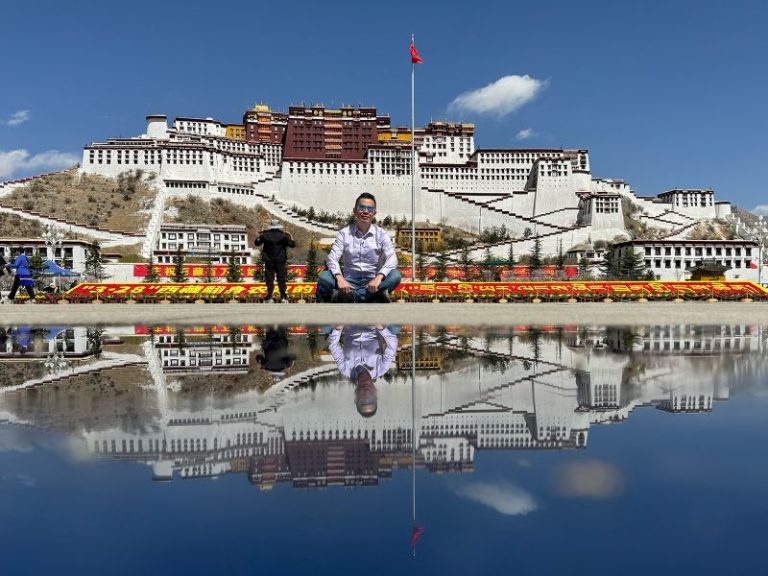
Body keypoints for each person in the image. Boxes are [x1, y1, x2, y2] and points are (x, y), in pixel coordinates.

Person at [316, 192, 401, 303]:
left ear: (374, 213)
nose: (365, 212)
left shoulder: (381, 234)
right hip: (349, 283)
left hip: (374, 283)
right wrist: (340, 278)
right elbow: (332, 258)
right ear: (354, 211)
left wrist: (379, 277)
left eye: (370, 209)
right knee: (324, 276)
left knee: (395, 275)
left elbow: (392, 259)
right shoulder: (344, 233)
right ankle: (371, 297)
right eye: (361, 208)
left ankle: (352, 297)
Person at [328, 325, 398, 417]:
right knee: (396, 328)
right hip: (374, 324)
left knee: (325, 328)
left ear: (356, 397)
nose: (366, 395)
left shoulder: (345, 369)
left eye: (363, 401)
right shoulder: (382, 368)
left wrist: (338, 328)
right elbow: (392, 343)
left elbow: (333, 345)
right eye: (370, 399)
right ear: (375, 394)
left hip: (350, 324)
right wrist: (381, 327)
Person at [255, 220, 295, 303]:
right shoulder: (283, 236)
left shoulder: (265, 235)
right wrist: (290, 236)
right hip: (280, 260)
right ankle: (283, 296)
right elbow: (292, 245)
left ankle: (269, 296)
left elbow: (257, 243)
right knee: (281, 278)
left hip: (269, 260)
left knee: (269, 278)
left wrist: (260, 235)